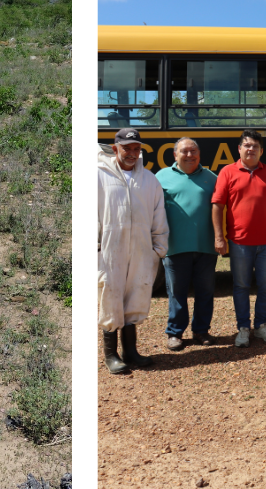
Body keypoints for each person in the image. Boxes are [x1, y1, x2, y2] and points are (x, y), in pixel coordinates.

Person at [213, 129, 266, 348]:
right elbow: (217, 205)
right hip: (239, 243)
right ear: (239, 149)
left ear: (261, 151)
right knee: (241, 286)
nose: (251, 149)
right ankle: (243, 328)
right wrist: (220, 237)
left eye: (255, 146)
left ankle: (261, 325)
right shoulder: (227, 172)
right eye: (246, 145)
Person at [99, 128, 168, 375]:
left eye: (136, 148)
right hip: (109, 250)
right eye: (126, 148)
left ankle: (131, 352)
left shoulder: (149, 179)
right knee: (111, 296)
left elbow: (158, 214)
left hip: (140, 249)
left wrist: (158, 249)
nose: (131, 153)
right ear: (115, 148)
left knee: (135, 296)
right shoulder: (99, 175)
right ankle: (111, 355)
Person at [157, 137, 219, 350]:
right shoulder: (161, 177)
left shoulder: (211, 178)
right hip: (174, 247)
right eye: (184, 151)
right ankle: (175, 333)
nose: (189, 155)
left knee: (205, 292)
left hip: (206, 247)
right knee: (177, 293)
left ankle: (201, 331)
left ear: (199, 154)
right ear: (175, 155)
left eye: (193, 151)